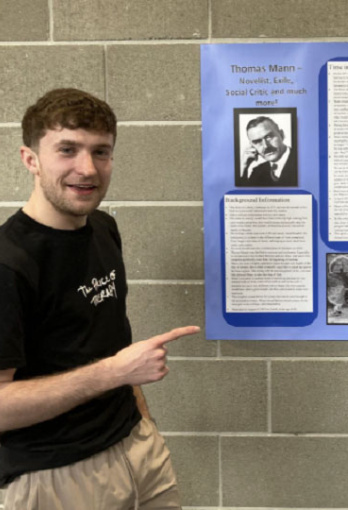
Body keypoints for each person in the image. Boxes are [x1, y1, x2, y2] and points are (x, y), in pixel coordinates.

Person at [0, 88, 200, 509]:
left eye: (101, 152)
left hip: (137, 449)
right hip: (55, 476)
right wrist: (113, 373)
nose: (87, 168)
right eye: (67, 150)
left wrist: (143, 424)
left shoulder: (103, 228)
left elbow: (111, 339)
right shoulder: (9, 264)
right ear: (30, 159)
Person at [239, 116, 297, 187]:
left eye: (269, 137)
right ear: (252, 146)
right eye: (257, 142)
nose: (265, 146)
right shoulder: (257, 172)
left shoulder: (301, 161)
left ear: (281, 135)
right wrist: (243, 168)